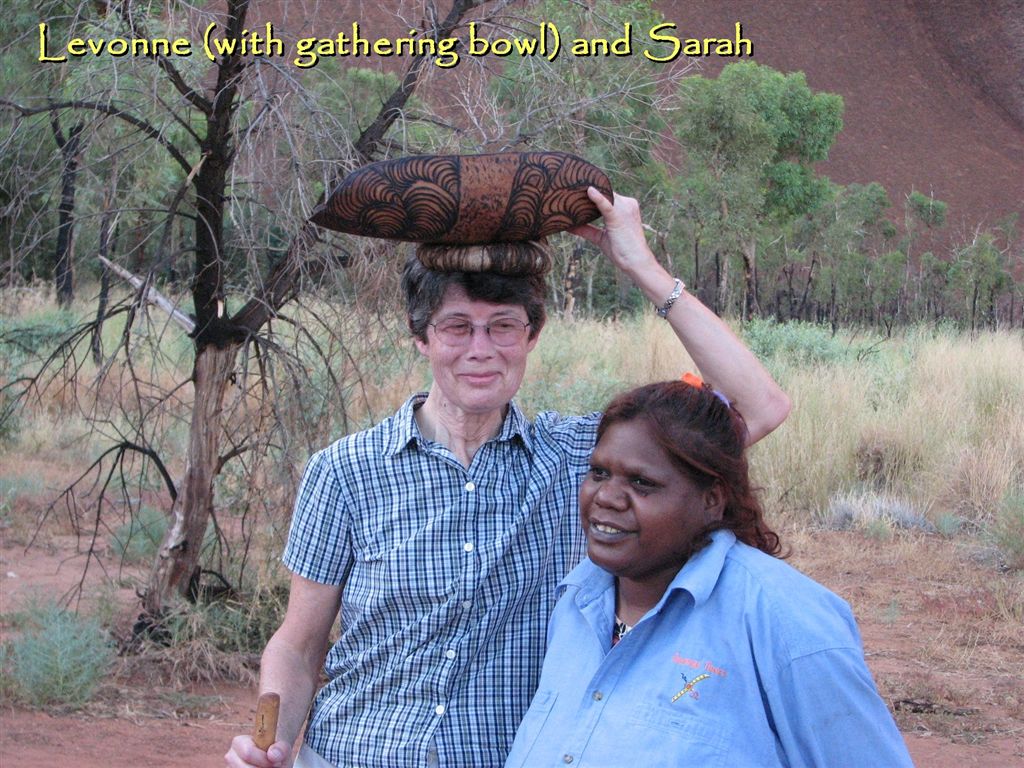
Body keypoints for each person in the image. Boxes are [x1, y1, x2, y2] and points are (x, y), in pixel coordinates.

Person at [225, 189, 791, 768]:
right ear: (421, 337)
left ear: (531, 336)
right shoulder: (345, 471)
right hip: (351, 754)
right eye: (457, 327)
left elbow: (761, 406)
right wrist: (270, 745)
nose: (481, 350)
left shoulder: (582, 460)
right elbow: (298, 645)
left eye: (503, 327)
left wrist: (641, 266)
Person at [504, 378, 914, 767]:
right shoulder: (577, 601)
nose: (606, 497)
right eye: (599, 473)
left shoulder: (784, 619)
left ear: (711, 501)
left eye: (642, 482)